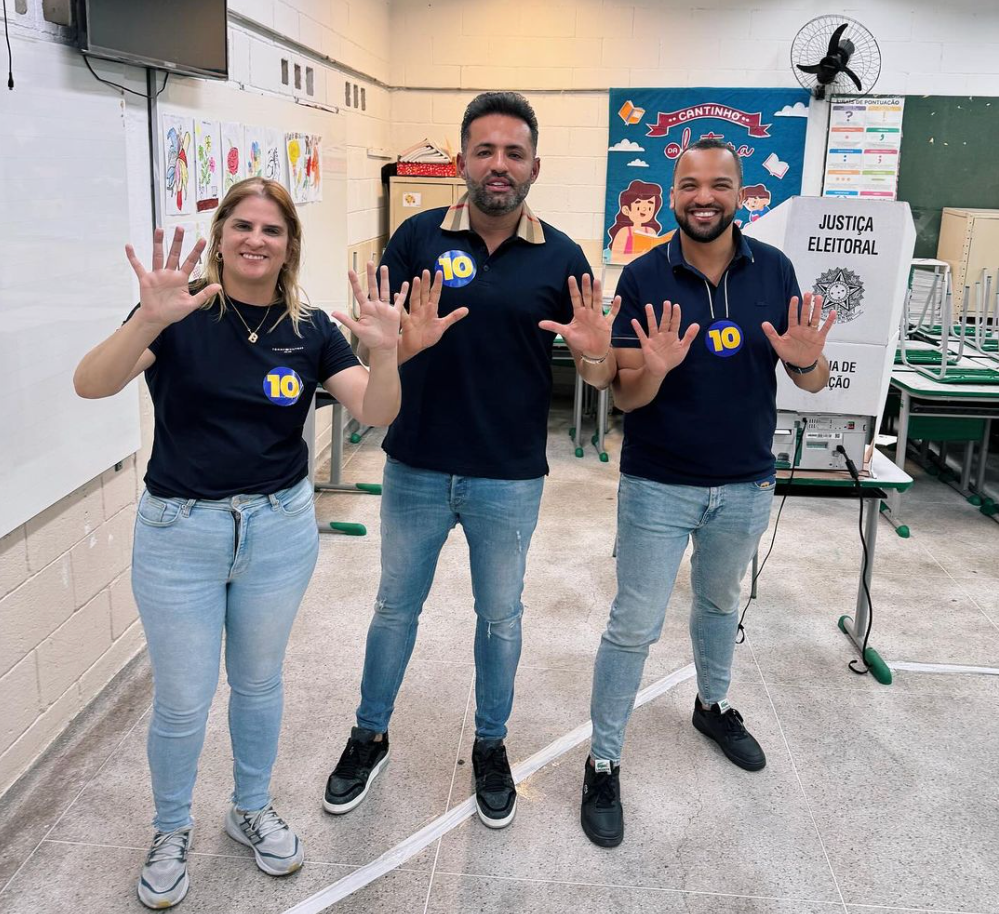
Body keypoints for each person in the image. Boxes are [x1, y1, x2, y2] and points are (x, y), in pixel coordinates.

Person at [74, 177, 404, 909]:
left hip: (278, 530)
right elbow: (90, 384)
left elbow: (377, 411)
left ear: (289, 246)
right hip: (179, 533)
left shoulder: (311, 329)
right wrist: (145, 322)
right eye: (243, 225)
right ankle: (170, 829)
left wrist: (384, 354)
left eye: (272, 229)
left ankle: (250, 808)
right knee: (183, 699)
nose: (256, 239)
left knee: (258, 683)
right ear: (220, 235)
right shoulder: (178, 312)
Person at [322, 92, 616, 829]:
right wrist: (397, 343)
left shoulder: (562, 257)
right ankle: (369, 734)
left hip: (508, 475)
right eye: (484, 151)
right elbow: (376, 349)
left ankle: (490, 744)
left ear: (535, 167)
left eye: (513, 153)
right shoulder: (416, 238)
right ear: (461, 161)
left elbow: (596, 373)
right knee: (395, 609)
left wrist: (594, 354)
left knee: (500, 617)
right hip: (416, 463)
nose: (498, 165)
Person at [573, 139, 836, 848]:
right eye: (689, 184)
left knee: (720, 605)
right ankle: (603, 759)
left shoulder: (774, 269)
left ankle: (712, 705)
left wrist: (808, 364)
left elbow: (810, 378)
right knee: (634, 624)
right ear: (673, 193)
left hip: (745, 482)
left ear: (740, 194)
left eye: (719, 184)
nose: (703, 197)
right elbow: (625, 396)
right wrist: (655, 368)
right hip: (657, 483)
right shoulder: (643, 274)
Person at [607, 179, 666, 261]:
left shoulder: (650, 231)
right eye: (638, 208)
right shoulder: (624, 232)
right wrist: (641, 255)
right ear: (626, 210)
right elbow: (616, 256)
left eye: (649, 208)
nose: (644, 210)